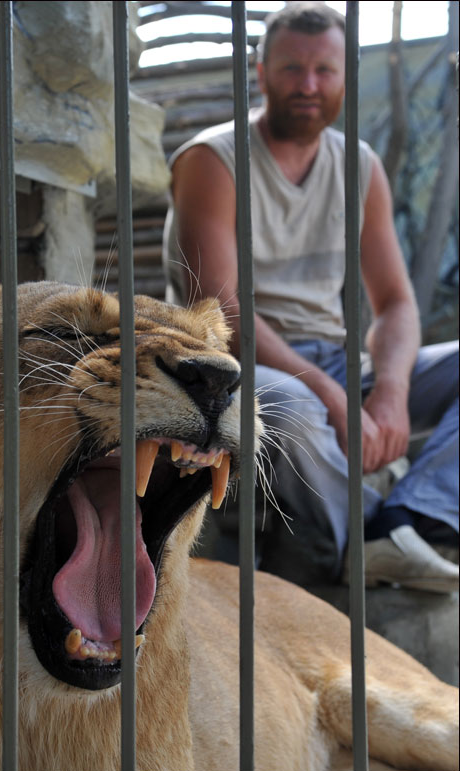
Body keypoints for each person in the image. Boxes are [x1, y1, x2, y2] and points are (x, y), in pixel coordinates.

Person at [162, 1, 459, 591]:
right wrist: (330, 393)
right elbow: (224, 311)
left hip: (334, 357)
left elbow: (397, 301)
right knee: (296, 409)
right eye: (293, 68)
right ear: (261, 70)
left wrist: (393, 392)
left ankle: (410, 521)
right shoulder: (211, 160)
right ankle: (353, 549)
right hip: (235, 366)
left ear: (346, 74)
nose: (309, 85)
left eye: (325, 70)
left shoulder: (361, 165)